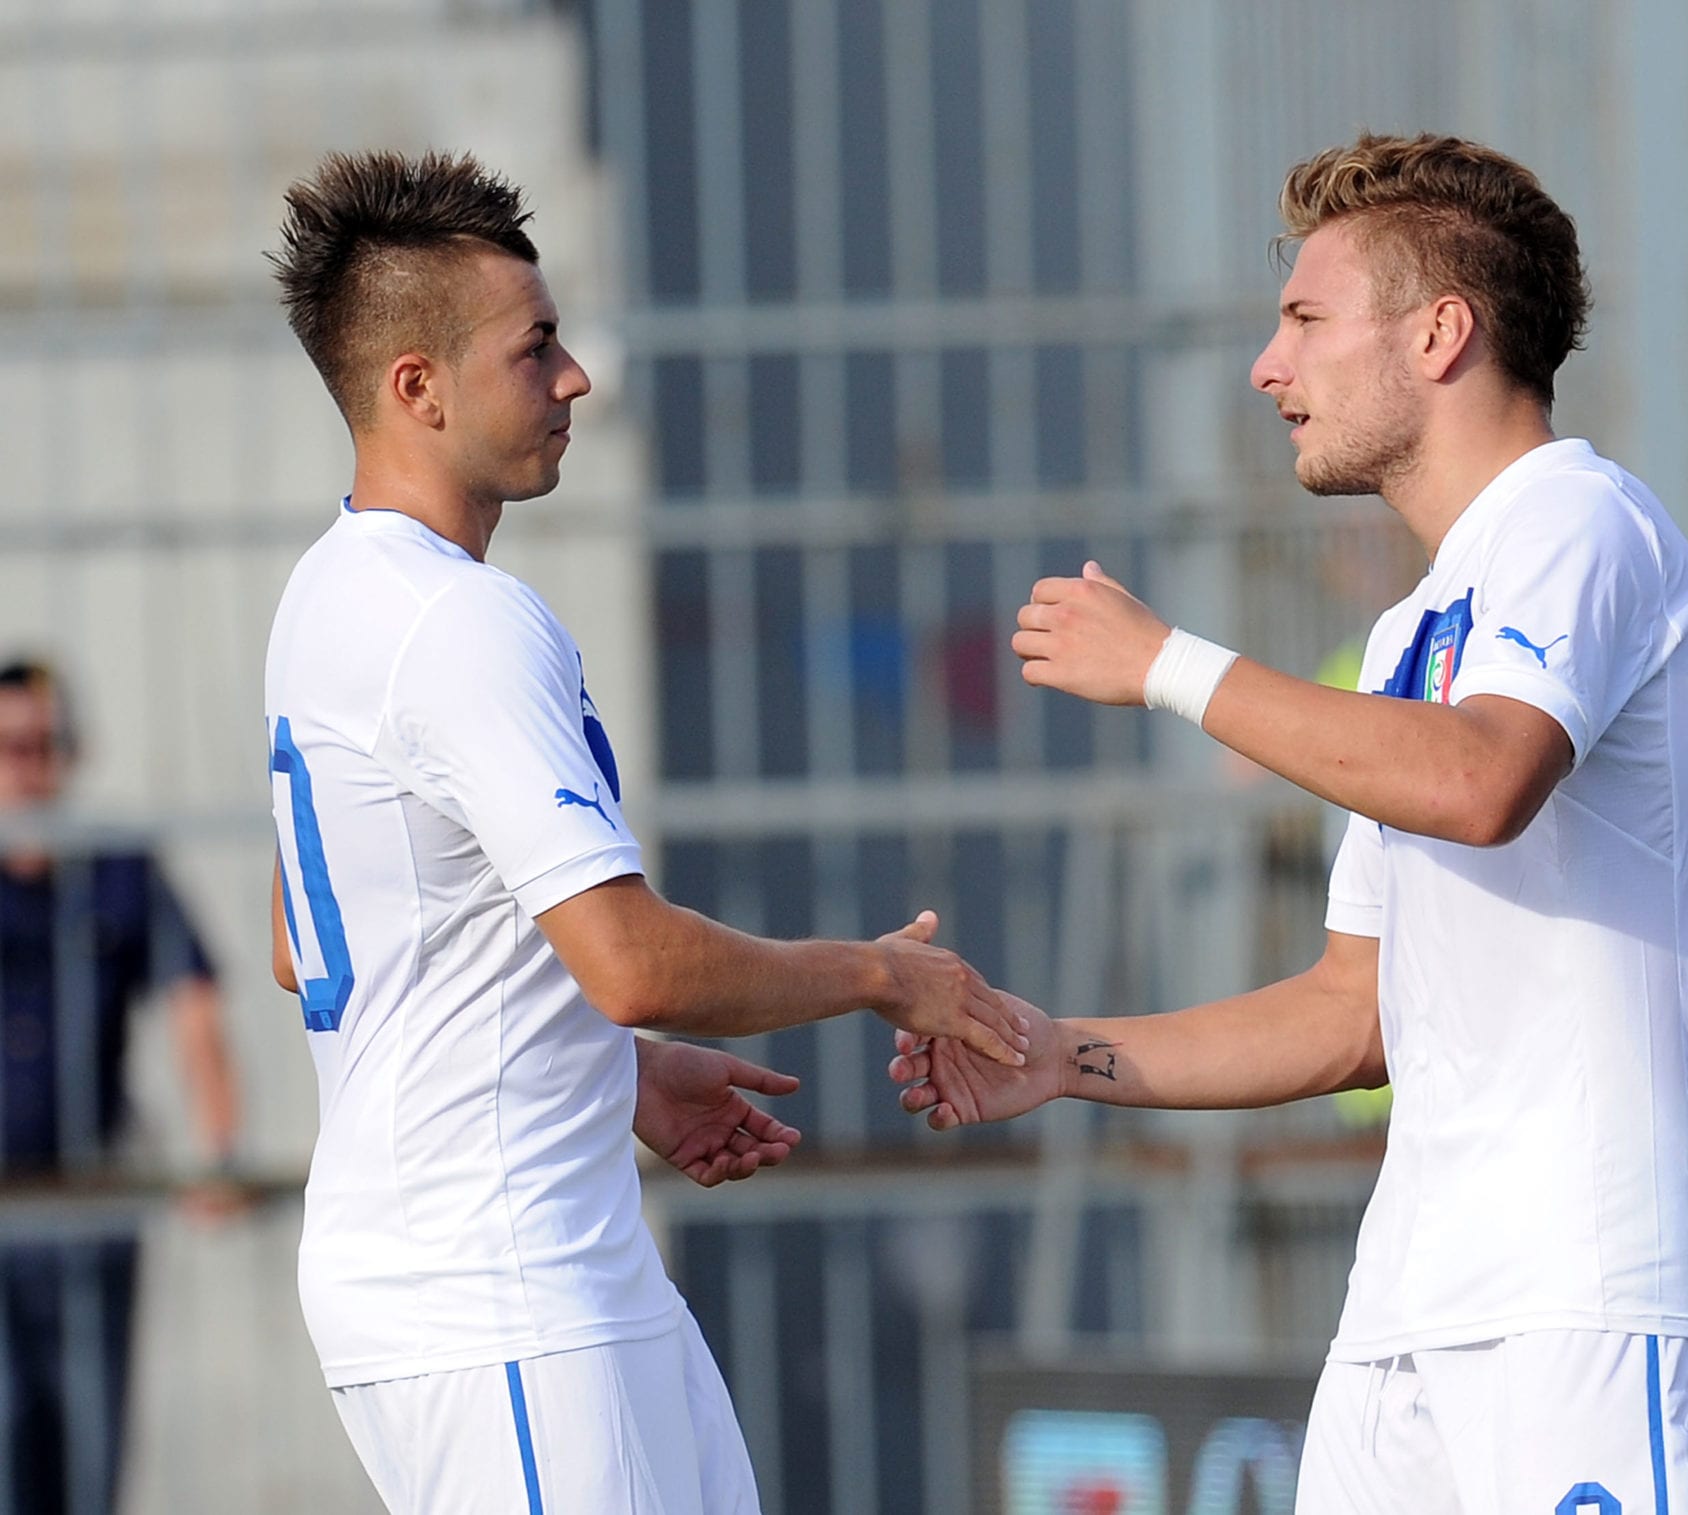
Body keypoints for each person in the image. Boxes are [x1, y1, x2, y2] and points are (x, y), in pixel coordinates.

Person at [890, 132, 1688, 1514]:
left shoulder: (1578, 520)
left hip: (1593, 1298)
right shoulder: (1416, 625)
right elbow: (1353, 1008)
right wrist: (1062, 1053)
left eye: (1305, 319)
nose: (1268, 365)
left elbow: (1484, 779)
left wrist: (1174, 666)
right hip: (1409, 1313)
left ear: (1439, 334)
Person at [263, 150, 1030, 1515]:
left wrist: (614, 1075)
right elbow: (630, 959)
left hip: (541, 1266)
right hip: (497, 1288)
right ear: (416, 388)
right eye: (535, 346)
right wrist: (880, 972)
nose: (573, 377)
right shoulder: (455, 622)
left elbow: (313, 936)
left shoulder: (334, 591)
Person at [0, 657, 241, 1515]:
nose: (26, 765)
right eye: (8, 747)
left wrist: (219, 1146)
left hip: (89, 1211)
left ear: (72, 752)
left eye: (41, 745)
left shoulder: (111, 868)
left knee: (89, 1464)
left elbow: (192, 996)